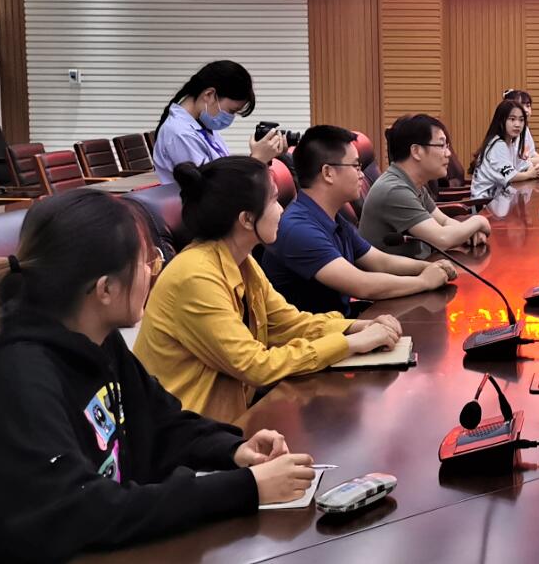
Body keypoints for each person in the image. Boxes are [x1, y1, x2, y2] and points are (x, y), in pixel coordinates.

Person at [0, 188, 319, 562]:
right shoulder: (17, 378)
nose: (153, 272)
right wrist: (244, 489)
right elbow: (81, 510)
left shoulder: (98, 338)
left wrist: (232, 450)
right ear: (105, 289)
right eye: (146, 262)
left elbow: (160, 422)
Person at [135, 158, 402, 422]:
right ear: (246, 219)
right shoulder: (195, 276)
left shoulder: (243, 261)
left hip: (231, 421)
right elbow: (255, 365)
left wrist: (354, 327)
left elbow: (288, 323)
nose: (282, 210)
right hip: (189, 436)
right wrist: (349, 344)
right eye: (274, 200)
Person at [261, 126, 458, 317]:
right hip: (314, 335)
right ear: (328, 173)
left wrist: (427, 267)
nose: (362, 174)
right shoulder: (299, 228)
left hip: (339, 325)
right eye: (355, 166)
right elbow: (362, 285)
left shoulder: (332, 217)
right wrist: (424, 282)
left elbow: (381, 262)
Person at [360, 114, 493, 259]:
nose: (448, 153)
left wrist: (470, 233)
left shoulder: (414, 184)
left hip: (423, 265)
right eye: (441, 145)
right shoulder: (395, 190)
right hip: (399, 272)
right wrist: (479, 221)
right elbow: (441, 239)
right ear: (416, 151)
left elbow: (444, 221)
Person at [152, 60, 286, 183]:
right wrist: (257, 160)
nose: (231, 117)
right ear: (209, 95)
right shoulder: (180, 134)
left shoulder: (202, 126)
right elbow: (212, 189)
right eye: (231, 111)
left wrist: (263, 155)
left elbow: (223, 175)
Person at [469, 99, 539, 199]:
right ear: (501, 121)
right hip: (484, 203)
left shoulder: (510, 143)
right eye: (512, 119)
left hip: (499, 200)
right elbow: (511, 177)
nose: (517, 124)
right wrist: (530, 174)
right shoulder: (497, 144)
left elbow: (524, 165)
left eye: (521, 120)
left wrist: (536, 169)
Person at [503, 89, 539, 167]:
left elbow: (531, 155)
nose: (526, 110)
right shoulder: (509, 132)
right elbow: (517, 163)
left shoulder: (525, 129)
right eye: (520, 105)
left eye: (528, 106)